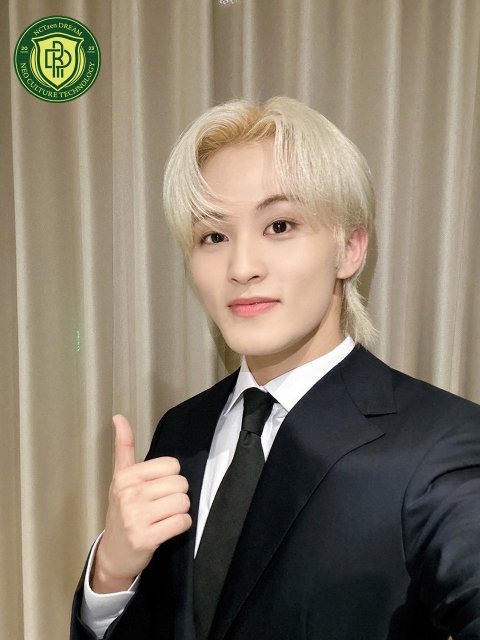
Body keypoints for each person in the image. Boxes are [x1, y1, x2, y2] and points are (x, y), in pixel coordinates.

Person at [71, 97, 480, 640]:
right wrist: (110, 574)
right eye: (213, 236)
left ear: (349, 249)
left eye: (280, 225)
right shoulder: (182, 430)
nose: (242, 268)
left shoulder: (445, 443)